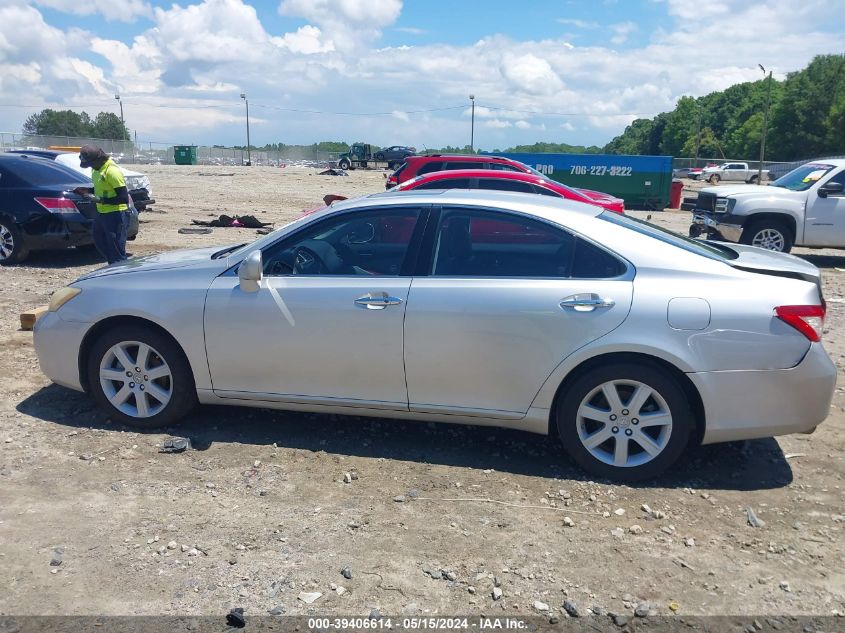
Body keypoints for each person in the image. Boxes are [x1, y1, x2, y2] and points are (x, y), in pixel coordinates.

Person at [74, 145, 130, 264]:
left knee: (116, 250)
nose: (89, 167)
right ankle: (113, 269)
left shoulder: (112, 171)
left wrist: (99, 200)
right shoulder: (96, 169)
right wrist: (87, 191)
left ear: (98, 159)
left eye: (90, 164)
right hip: (102, 213)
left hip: (116, 214)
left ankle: (121, 274)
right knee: (101, 243)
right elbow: (102, 188)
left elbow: (123, 198)